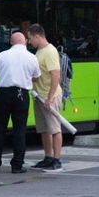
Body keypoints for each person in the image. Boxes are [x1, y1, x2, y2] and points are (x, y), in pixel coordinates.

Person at [0, 32, 41, 173]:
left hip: (3, 94)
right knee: (19, 130)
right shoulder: (32, 57)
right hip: (21, 95)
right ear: (25, 42)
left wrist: (1, 72)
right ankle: (17, 165)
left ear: (11, 42)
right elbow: (37, 78)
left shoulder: (2, 55)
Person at [27, 23, 63, 172]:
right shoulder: (39, 51)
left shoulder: (50, 51)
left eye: (30, 38)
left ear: (37, 36)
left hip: (50, 96)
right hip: (39, 96)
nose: (29, 42)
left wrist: (49, 98)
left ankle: (57, 159)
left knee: (54, 128)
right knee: (44, 129)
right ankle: (48, 157)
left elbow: (55, 75)